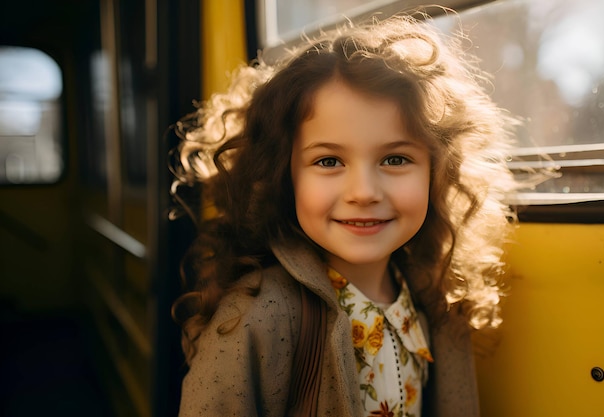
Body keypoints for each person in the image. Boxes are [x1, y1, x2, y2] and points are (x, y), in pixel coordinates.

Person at [170, 10, 518, 417]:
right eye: (329, 162)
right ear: (285, 176)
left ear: (437, 173)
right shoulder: (260, 316)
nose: (364, 193)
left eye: (395, 159)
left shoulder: (431, 298)